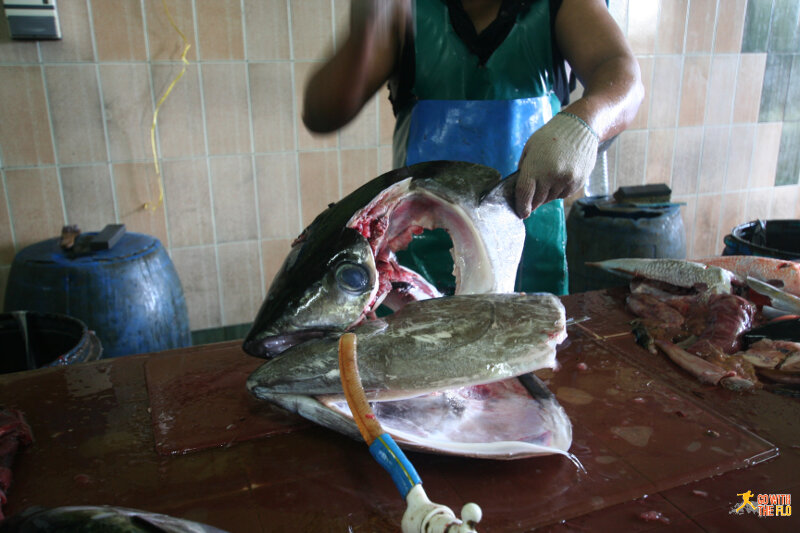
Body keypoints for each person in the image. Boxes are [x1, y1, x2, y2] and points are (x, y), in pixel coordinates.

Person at [302, 0, 643, 295]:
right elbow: (322, 113)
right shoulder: (406, 8)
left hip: (529, 260)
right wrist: (366, 32)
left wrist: (585, 124)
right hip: (417, 269)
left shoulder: (561, 5)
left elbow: (622, 75)